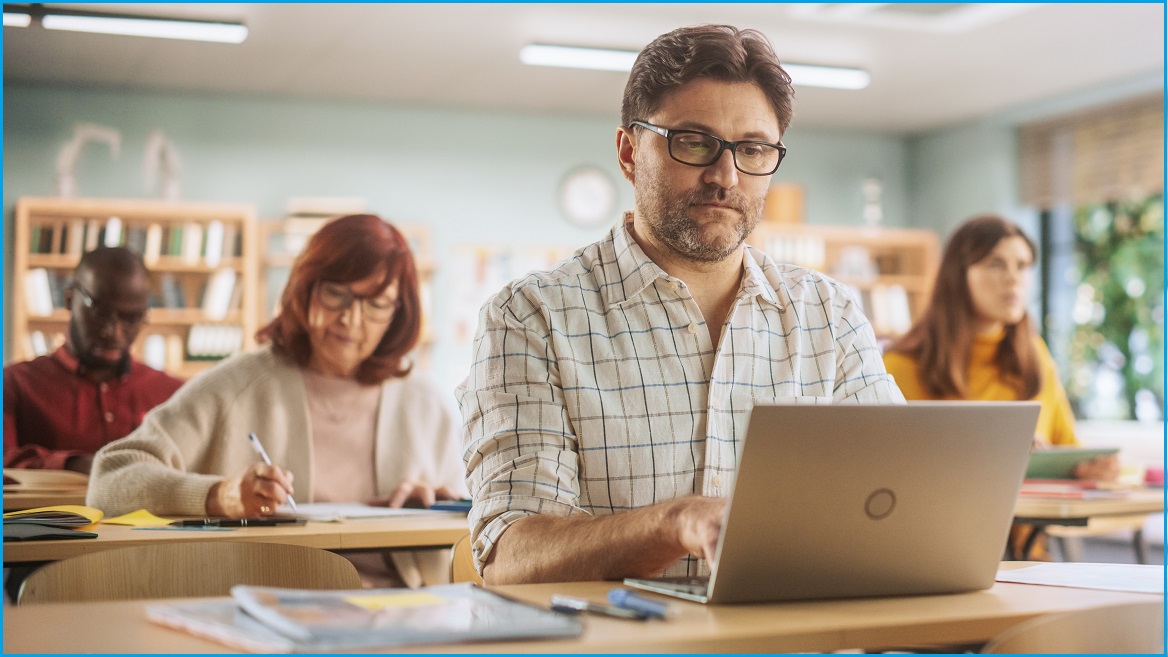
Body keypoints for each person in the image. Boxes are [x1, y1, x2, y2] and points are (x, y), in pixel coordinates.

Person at [457, 24, 904, 585]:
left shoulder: (830, 314)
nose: (725, 175)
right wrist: (674, 525)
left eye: (753, 149)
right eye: (693, 141)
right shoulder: (531, 318)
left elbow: (897, 505)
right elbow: (511, 556)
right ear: (628, 152)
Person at [88, 214, 467, 587]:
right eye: (336, 294)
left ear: (399, 313)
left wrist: (444, 505)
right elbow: (110, 478)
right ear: (306, 287)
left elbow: (480, 538)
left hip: (403, 620)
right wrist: (218, 496)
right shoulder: (237, 385)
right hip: (267, 613)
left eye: (376, 304)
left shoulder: (427, 403)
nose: (351, 319)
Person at [882, 215, 1118, 558]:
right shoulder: (900, 368)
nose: (1014, 278)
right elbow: (891, 482)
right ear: (957, 275)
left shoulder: (1035, 355)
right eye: (996, 264)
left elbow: (1068, 451)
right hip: (934, 555)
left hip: (1030, 563)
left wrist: (1087, 468)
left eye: (1023, 266)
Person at [4, 247, 184, 473]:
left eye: (132, 318)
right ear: (69, 299)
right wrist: (77, 465)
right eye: (100, 312)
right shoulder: (13, 384)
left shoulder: (174, 394)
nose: (115, 333)